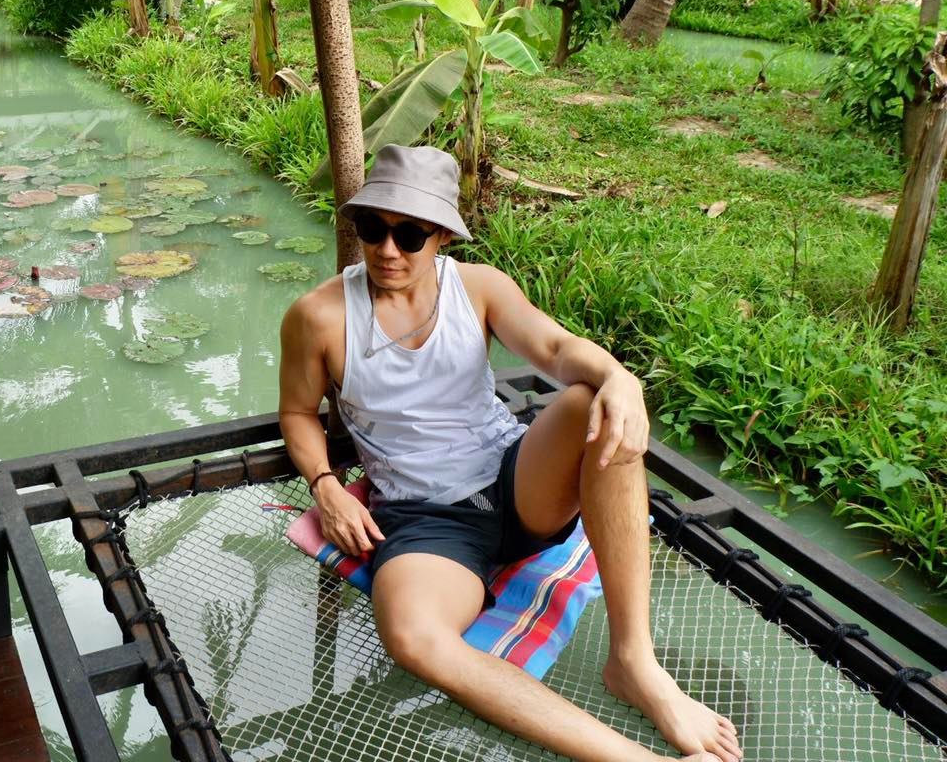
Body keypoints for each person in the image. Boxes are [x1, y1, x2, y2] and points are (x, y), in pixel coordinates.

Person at [277, 144, 742, 762]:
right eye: (372, 228)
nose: (387, 250)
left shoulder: (478, 288)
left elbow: (555, 349)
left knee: (594, 404)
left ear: (442, 235)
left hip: (514, 480)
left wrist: (621, 378)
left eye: (410, 235)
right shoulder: (318, 315)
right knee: (413, 637)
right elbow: (298, 412)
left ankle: (634, 662)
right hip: (426, 519)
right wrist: (326, 485)